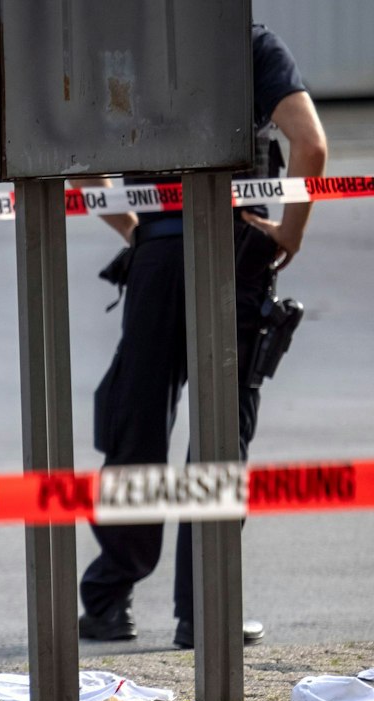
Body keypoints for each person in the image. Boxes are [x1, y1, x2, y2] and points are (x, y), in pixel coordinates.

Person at [75, 23, 329, 651]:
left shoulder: (127, 52)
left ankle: (109, 599)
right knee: (219, 436)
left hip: (157, 259)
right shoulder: (248, 45)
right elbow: (311, 146)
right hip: (235, 251)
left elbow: (84, 168)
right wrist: (290, 232)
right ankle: (203, 611)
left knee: (136, 425)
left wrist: (141, 232)